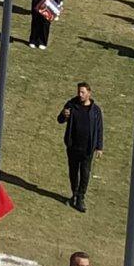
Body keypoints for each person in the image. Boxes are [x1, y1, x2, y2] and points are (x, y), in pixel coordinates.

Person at [57, 83, 103, 213]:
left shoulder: (95, 111)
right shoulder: (71, 105)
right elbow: (59, 120)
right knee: (73, 172)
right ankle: (75, 194)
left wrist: (99, 146)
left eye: (83, 92)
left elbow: (99, 129)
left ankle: (81, 197)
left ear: (89, 93)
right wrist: (64, 115)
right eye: (79, 92)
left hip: (88, 149)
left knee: (85, 173)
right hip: (73, 146)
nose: (80, 95)